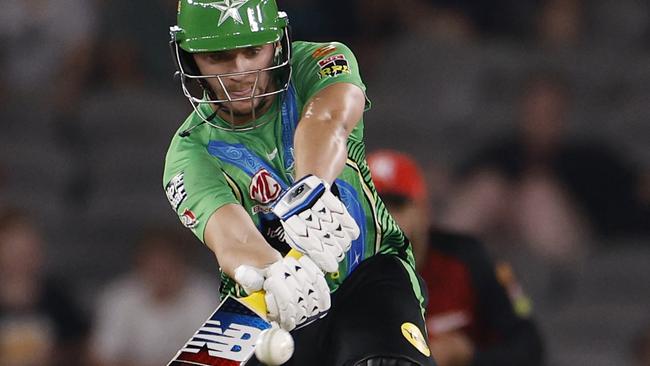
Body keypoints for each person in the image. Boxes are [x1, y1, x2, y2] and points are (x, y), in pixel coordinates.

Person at [163, 1, 436, 365]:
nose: (241, 71)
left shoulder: (322, 60)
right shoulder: (188, 155)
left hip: (369, 272)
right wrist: (271, 268)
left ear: (277, 42)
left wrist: (309, 190)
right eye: (219, 57)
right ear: (189, 57)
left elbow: (327, 121)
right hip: (271, 300)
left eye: (252, 51)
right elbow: (230, 238)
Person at [367, 150, 544, 366]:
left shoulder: (471, 260)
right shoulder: (338, 275)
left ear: (424, 211)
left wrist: (469, 356)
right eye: (373, 205)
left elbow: (530, 348)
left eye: (398, 205)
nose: (385, 218)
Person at [89, 228, 218, 366]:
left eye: (169, 262)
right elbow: (100, 357)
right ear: (140, 264)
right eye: (154, 264)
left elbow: (218, 356)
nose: (161, 271)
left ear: (184, 262)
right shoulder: (120, 297)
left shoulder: (205, 295)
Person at [0, 207, 89, 366]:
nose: (20, 258)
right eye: (13, 250)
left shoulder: (57, 297)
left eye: (27, 250)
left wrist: (55, 356)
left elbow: (81, 345)